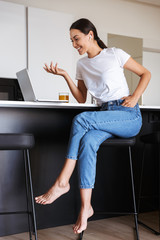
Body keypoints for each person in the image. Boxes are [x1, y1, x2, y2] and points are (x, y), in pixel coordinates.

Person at [35, 18, 151, 234]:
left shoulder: (114, 54)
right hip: (104, 115)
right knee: (87, 141)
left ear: (90, 35)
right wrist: (66, 76)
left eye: (76, 39)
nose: (74, 44)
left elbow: (146, 74)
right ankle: (86, 207)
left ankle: (62, 182)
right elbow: (81, 98)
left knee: (81, 120)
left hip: (127, 116)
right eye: (71, 40)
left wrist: (135, 96)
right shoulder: (82, 64)